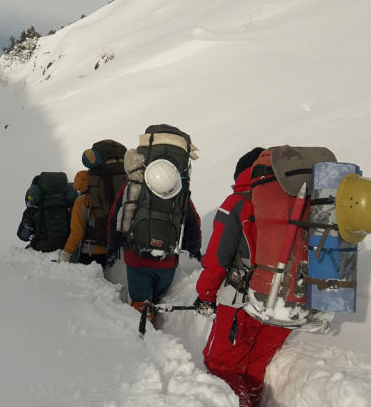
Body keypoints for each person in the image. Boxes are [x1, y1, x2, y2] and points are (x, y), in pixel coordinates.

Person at [194, 147, 291, 407]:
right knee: (254, 369)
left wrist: (205, 295)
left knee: (221, 365)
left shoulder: (237, 203)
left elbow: (217, 258)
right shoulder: (296, 199)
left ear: (242, 175)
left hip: (244, 303)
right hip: (286, 304)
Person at [108, 174, 202, 321]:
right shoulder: (178, 189)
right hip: (167, 262)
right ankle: (153, 317)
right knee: (155, 300)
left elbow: (115, 218)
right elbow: (193, 224)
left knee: (141, 307)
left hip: (137, 260)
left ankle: (142, 328)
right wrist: (195, 251)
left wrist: (113, 247)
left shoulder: (133, 185)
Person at [57, 170, 110, 267]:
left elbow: (77, 233)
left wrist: (66, 252)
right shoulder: (106, 196)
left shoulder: (81, 201)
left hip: (88, 253)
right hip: (106, 250)